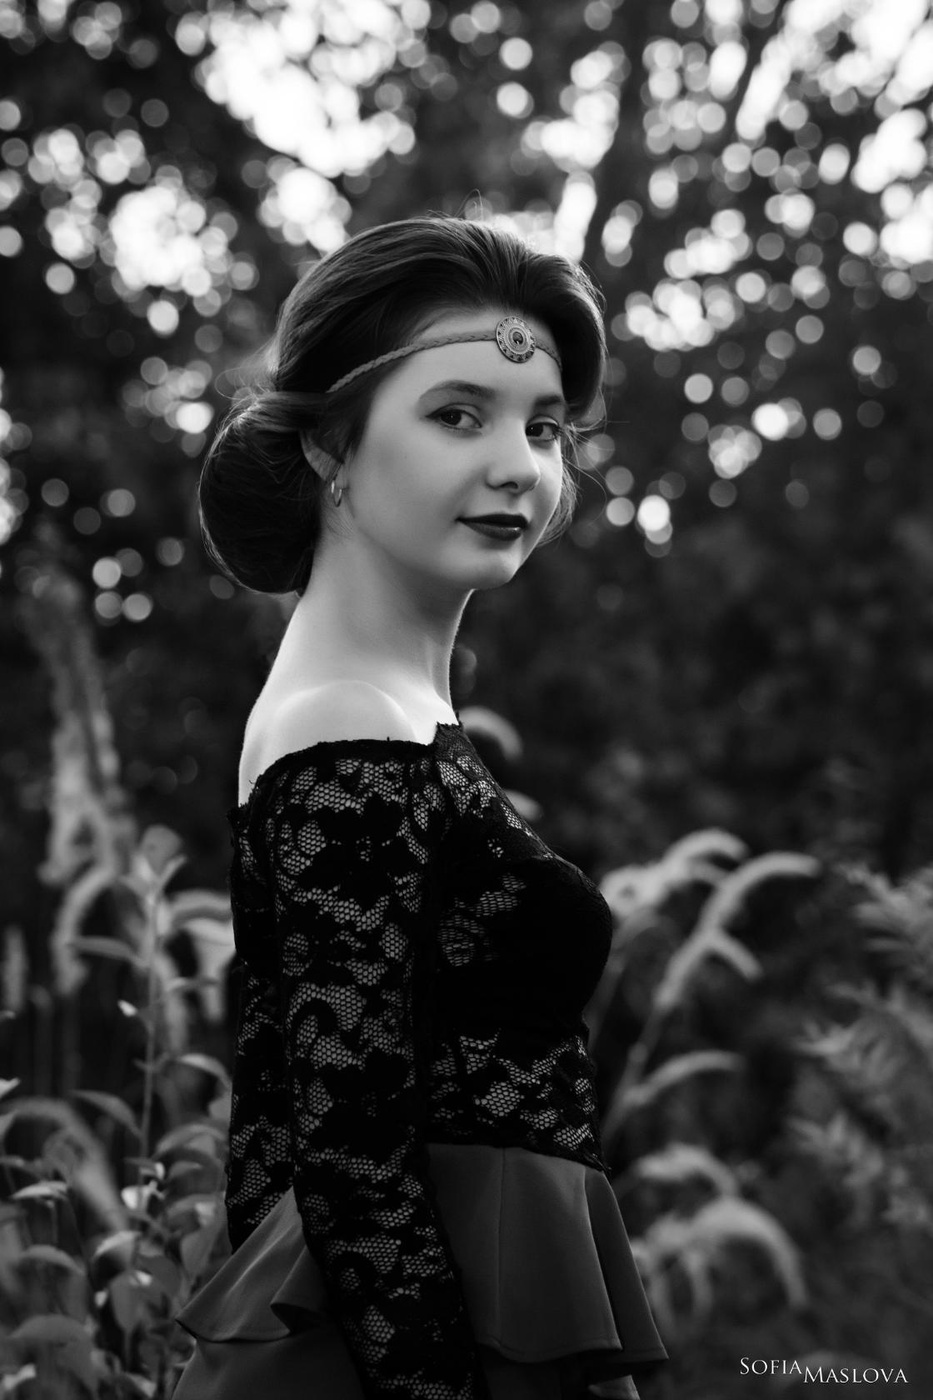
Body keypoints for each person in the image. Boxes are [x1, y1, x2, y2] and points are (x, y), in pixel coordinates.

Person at [173, 215, 667, 1400]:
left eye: (542, 427)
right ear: (329, 443)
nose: (520, 466)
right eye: (458, 414)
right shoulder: (344, 722)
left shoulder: (386, 710)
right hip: (425, 1344)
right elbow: (351, 1160)